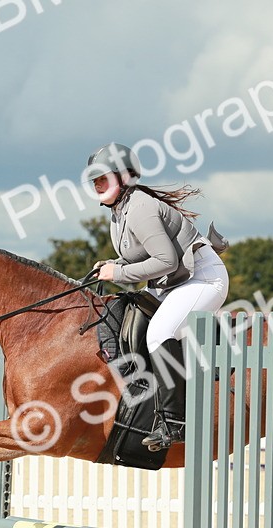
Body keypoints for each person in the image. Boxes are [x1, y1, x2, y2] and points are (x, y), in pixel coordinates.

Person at [87, 142, 229, 451]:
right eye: (94, 179)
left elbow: (166, 261)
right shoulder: (119, 213)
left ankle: (174, 424)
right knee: (128, 317)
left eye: (103, 178)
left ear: (125, 177)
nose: (97, 184)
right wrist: (113, 265)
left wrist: (118, 273)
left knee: (159, 332)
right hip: (174, 282)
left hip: (202, 278)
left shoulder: (140, 208)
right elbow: (140, 257)